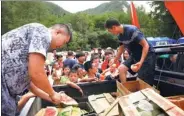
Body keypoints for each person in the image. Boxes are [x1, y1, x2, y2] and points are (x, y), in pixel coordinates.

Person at [2, 23, 72, 116]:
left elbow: (30, 85)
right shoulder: (43, 32)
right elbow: (36, 73)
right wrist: (53, 93)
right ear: (57, 32)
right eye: (64, 42)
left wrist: (50, 97)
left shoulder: (31, 47)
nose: (62, 45)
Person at [105, 19, 156, 85]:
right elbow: (121, 49)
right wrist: (114, 61)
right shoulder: (120, 36)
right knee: (121, 69)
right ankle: (125, 89)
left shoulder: (132, 30)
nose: (111, 33)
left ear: (114, 27)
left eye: (110, 31)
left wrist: (141, 62)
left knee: (141, 80)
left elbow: (146, 45)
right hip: (134, 54)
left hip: (147, 55)